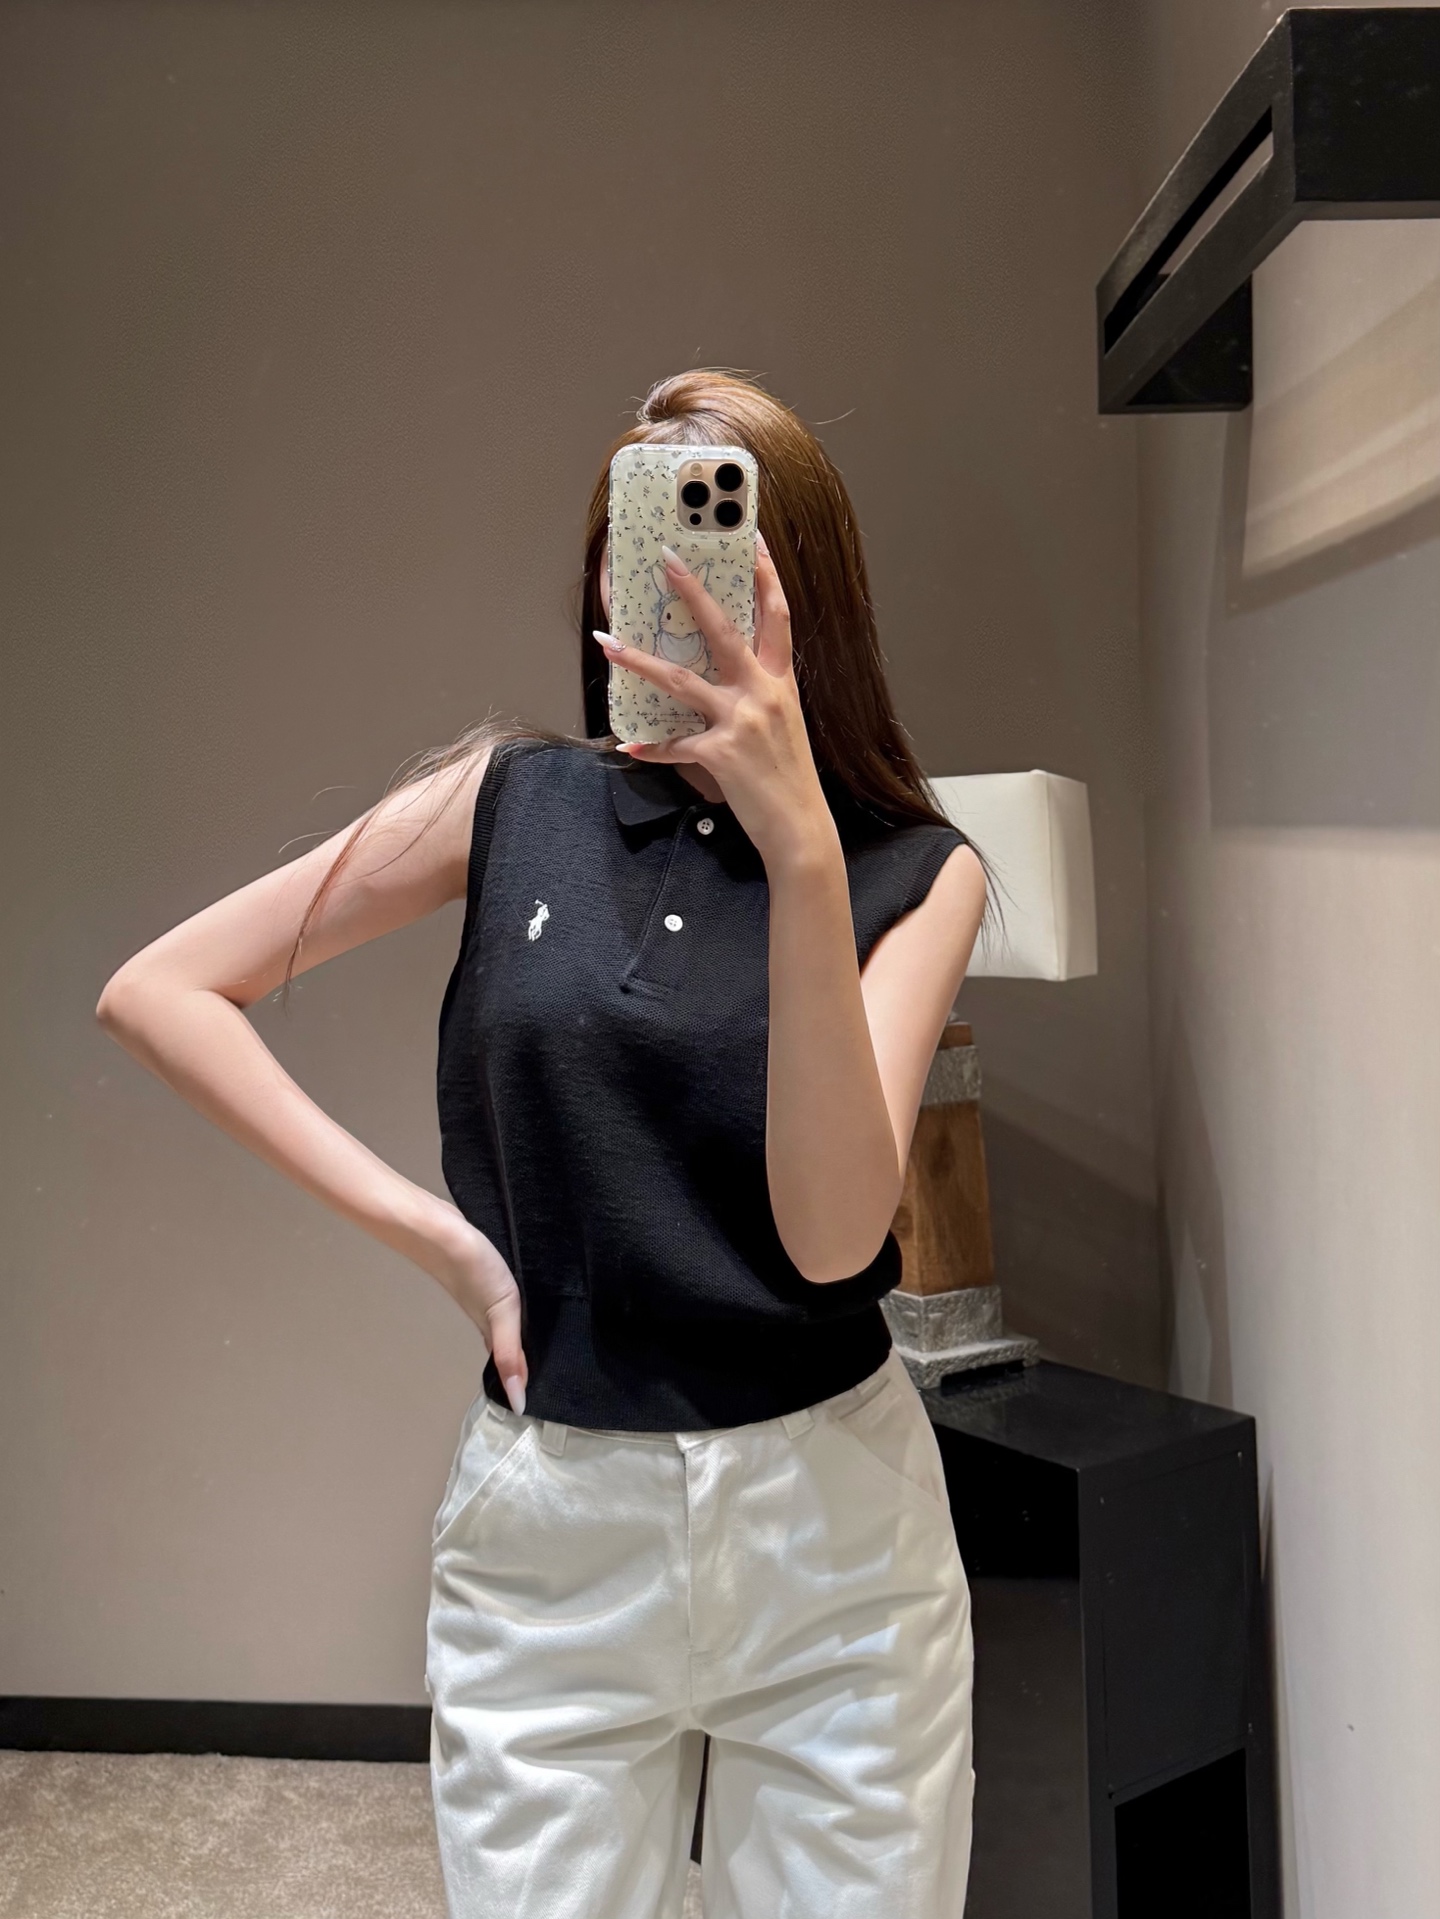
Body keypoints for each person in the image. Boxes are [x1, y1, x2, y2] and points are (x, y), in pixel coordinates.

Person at [97, 371, 989, 1919]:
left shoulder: (918, 870)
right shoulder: (510, 801)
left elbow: (835, 1236)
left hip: (833, 1535)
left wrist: (799, 851)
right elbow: (161, 990)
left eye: (718, 556)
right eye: (636, 550)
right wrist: (444, 1243)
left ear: (808, 596)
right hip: (557, 1524)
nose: (673, 597)